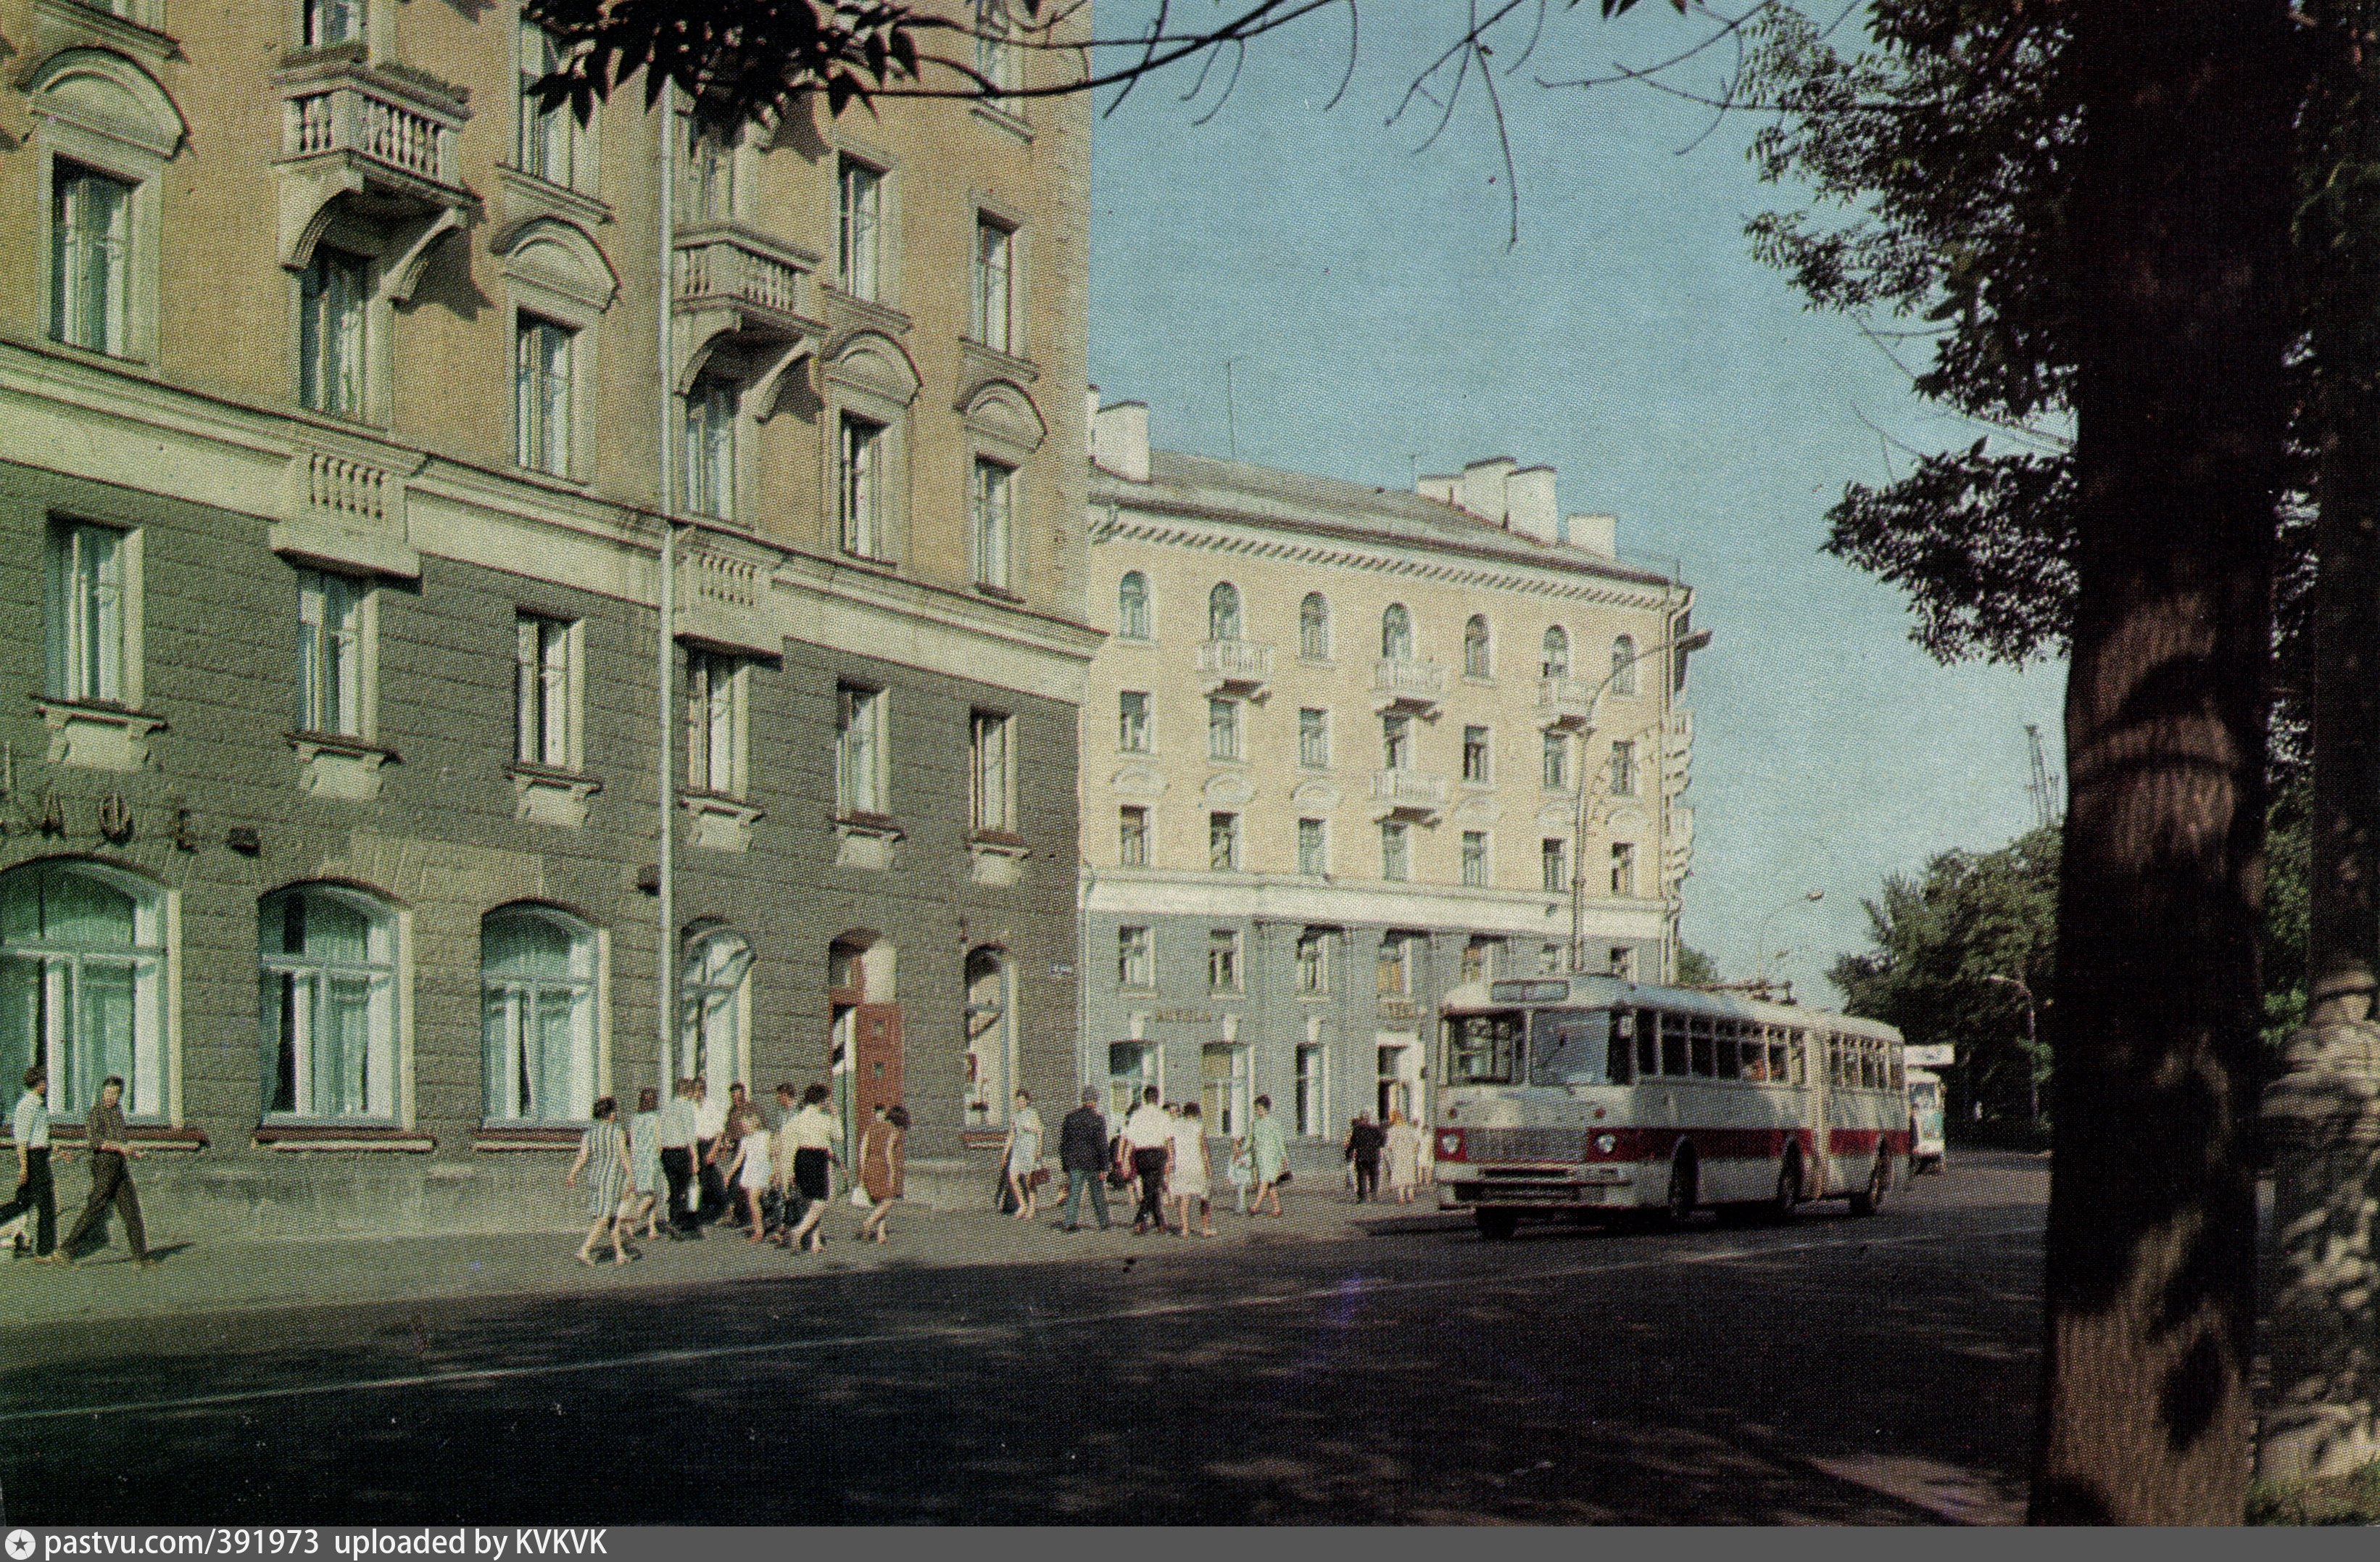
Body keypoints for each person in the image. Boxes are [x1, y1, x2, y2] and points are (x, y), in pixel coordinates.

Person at [51, 1075, 149, 1266]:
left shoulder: (118, 1111)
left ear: (120, 1095)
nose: (110, 1096)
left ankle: (141, 1257)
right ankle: (65, 1250)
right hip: (104, 1165)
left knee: (131, 1210)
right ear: (102, 1092)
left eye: (114, 1093)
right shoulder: (97, 1112)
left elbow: (119, 1141)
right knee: (96, 1206)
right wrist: (120, 1148)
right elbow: (95, 1141)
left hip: (119, 1165)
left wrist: (133, 1152)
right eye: (107, 1092)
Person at [564, 1096, 634, 1265]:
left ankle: (620, 1254)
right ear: (610, 1114)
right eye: (614, 1111)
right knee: (604, 1217)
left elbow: (583, 1157)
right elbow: (624, 1157)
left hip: (595, 1177)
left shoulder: (589, 1133)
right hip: (612, 1178)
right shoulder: (618, 1132)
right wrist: (632, 1177)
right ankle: (585, 1250)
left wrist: (573, 1173)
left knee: (612, 1217)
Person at [2, 1065, 62, 1259]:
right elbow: (21, 1140)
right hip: (32, 1160)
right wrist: (24, 1168)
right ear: (35, 1083)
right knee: (46, 1205)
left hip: (40, 1156)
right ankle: (45, 1251)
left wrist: (56, 1151)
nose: (46, 1085)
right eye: (43, 1082)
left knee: (23, 1203)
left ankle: (45, 1249)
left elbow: (41, 1138)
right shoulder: (27, 1105)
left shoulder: (39, 1104)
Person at [781, 1082, 843, 1252]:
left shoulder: (797, 1119)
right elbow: (839, 1137)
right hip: (817, 1158)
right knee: (822, 1201)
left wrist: (789, 1172)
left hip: (801, 1158)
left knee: (811, 1203)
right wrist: (836, 1115)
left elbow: (789, 1145)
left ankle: (815, 1242)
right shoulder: (825, 1119)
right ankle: (798, 1232)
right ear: (822, 1101)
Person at [1056, 1088, 1112, 1232]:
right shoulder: (1098, 1119)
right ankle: (1104, 1222)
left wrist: (1065, 1165)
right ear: (1095, 1101)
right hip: (1093, 1163)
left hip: (1075, 1163)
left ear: (1083, 1100)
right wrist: (1104, 1167)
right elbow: (1102, 1145)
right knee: (1098, 1194)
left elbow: (1064, 1144)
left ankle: (1069, 1223)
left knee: (1074, 1193)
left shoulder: (1070, 1118)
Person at [1121, 1086, 1173, 1235]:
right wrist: (1170, 1159)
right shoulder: (1164, 1115)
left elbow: (1130, 1140)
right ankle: (1140, 1219)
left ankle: (1160, 1224)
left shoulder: (1136, 1116)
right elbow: (1168, 1139)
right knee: (1152, 1189)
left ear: (1144, 1098)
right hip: (1157, 1153)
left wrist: (1125, 1159)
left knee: (1149, 1187)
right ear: (1157, 1098)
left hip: (1141, 1154)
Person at [855, 1103, 908, 1244]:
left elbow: (862, 1151)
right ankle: (868, 1223)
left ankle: (881, 1234)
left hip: (870, 1166)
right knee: (888, 1200)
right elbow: (888, 1152)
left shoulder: (871, 1128)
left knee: (880, 1202)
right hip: (882, 1167)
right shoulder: (894, 1131)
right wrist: (892, 1173)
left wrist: (862, 1171)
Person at [657, 1078, 701, 1237]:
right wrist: (695, 1158)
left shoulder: (667, 1107)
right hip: (681, 1152)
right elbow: (690, 1135)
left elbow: (660, 1131)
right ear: (688, 1092)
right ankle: (681, 1223)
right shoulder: (687, 1107)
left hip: (666, 1153)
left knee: (673, 1187)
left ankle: (673, 1219)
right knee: (683, 1189)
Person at [1169, 1101, 1216, 1237]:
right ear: (1197, 1113)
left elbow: (1171, 1146)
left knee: (1184, 1198)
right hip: (1197, 1165)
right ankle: (1206, 1229)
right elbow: (1204, 1150)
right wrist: (1209, 1169)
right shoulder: (1199, 1126)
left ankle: (1184, 1229)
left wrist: (1171, 1163)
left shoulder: (1175, 1125)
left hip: (1182, 1165)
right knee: (1204, 1198)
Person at [726, 1106, 772, 1243]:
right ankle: (759, 1226)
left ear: (754, 1123)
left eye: (746, 1125)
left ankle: (759, 1231)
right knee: (753, 1201)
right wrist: (728, 1175)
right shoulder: (745, 1140)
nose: (744, 1128)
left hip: (763, 1170)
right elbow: (739, 1160)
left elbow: (774, 1154)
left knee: (753, 1200)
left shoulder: (765, 1136)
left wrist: (775, 1171)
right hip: (751, 1171)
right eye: (743, 1126)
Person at [624, 1087, 663, 1241]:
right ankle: (632, 1220)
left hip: (637, 1158)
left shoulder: (635, 1119)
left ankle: (651, 1228)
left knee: (639, 1192)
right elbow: (659, 1141)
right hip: (651, 1159)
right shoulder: (656, 1118)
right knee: (651, 1195)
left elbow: (632, 1141)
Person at [1003, 1088, 1045, 1221]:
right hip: (1018, 1150)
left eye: (1023, 1100)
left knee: (1029, 1180)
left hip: (1030, 1149)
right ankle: (1022, 1204)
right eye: (1018, 1100)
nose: (1020, 1103)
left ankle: (1031, 1208)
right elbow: (1011, 1135)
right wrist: (1005, 1153)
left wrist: (1039, 1149)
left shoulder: (1032, 1113)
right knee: (1013, 1176)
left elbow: (1040, 1132)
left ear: (1027, 1101)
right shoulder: (1015, 1116)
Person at [692, 1076, 730, 1225]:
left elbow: (720, 1132)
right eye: (693, 1091)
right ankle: (701, 1214)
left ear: (702, 1091)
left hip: (709, 1144)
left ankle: (724, 1208)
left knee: (714, 1179)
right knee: (700, 1180)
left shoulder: (711, 1106)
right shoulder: (691, 1106)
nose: (695, 1094)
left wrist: (714, 1151)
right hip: (696, 1145)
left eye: (697, 1091)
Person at [1246, 1094, 1288, 1218]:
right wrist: (1241, 1151)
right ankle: (1277, 1208)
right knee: (1270, 1183)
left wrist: (1284, 1156)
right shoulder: (1255, 1123)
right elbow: (1250, 1140)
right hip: (1261, 1156)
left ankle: (1255, 1207)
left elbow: (1280, 1140)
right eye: (1257, 1108)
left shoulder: (1274, 1123)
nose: (1258, 1110)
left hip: (1272, 1156)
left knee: (1264, 1181)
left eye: (1260, 1108)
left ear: (1266, 1108)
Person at [1345, 1110, 1386, 1204]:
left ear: (1361, 1119)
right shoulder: (1376, 1129)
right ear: (1369, 1119)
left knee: (1361, 1177)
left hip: (1361, 1156)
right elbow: (1382, 1142)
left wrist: (1349, 1154)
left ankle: (1363, 1197)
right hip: (1374, 1156)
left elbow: (1353, 1143)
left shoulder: (1357, 1130)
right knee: (1374, 1176)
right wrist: (1375, 1146)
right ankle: (1373, 1194)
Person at [1385, 1108, 1423, 1205]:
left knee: (1400, 1175)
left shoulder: (1392, 1130)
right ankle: (1411, 1196)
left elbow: (1389, 1145)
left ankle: (1401, 1198)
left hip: (1398, 1155)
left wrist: (1389, 1152)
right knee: (1410, 1174)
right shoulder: (1410, 1128)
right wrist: (1415, 1152)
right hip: (1410, 1155)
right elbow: (1417, 1142)